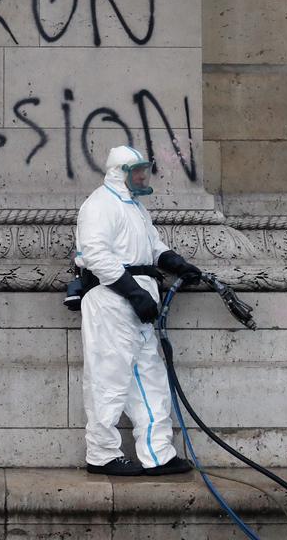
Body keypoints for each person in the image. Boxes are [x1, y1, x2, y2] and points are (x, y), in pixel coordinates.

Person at [75, 146, 203, 476]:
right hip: (112, 301)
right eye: (138, 171)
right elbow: (96, 255)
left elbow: (153, 246)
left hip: (140, 302)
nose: (144, 176)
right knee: (109, 377)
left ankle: (158, 453)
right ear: (120, 172)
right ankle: (102, 454)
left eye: (144, 170)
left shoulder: (135, 208)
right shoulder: (99, 205)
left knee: (150, 376)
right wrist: (132, 293)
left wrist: (178, 264)